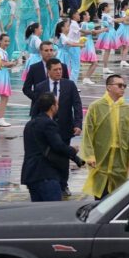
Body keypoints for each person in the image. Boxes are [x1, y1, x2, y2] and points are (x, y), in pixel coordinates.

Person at [29, 58, 83, 196]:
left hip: (65, 128)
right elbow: (35, 108)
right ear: (48, 71)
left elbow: (77, 105)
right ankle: (51, 181)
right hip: (46, 130)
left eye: (60, 69)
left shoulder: (69, 85)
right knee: (49, 156)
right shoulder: (41, 87)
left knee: (63, 158)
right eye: (56, 70)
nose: (59, 72)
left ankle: (63, 185)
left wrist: (78, 124)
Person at [82, 74, 129, 200]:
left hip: (120, 159)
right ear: (109, 87)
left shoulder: (127, 109)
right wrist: (89, 155)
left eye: (124, 85)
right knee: (101, 196)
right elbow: (88, 133)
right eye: (119, 85)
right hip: (101, 158)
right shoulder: (96, 107)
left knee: (118, 198)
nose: (122, 88)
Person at [22, 92, 84, 202]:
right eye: (57, 104)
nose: (58, 107)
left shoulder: (29, 124)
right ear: (52, 107)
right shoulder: (48, 124)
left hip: (30, 173)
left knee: (38, 211)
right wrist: (72, 150)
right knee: (53, 211)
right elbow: (58, 146)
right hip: (46, 173)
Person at [0, 33, 16, 128]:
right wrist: (11, 63)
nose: (7, 43)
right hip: (0, 74)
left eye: (8, 41)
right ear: (0, 41)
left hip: (3, 73)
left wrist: (12, 63)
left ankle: (0, 118)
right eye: (5, 41)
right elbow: (2, 63)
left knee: (5, 97)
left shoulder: (3, 51)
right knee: (4, 97)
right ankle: (0, 119)